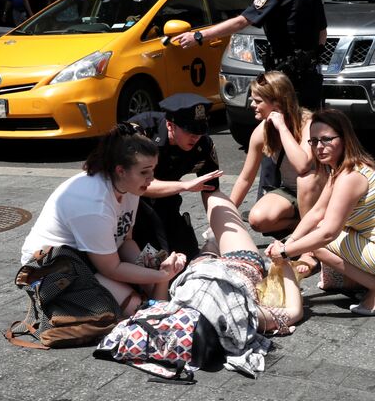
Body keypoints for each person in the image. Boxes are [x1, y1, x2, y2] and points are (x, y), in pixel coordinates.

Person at [265, 109, 375, 316]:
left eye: (326, 139)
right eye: (313, 141)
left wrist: (286, 252)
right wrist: (287, 244)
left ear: (344, 139)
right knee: (314, 234)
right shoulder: (345, 168)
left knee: (318, 240)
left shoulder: (349, 177)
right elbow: (316, 212)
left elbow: (327, 233)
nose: (319, 147)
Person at [19, 123, 187, 316]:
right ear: (120, 170)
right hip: (51, 267)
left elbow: (125, 240)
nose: (151, 179)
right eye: (144, 172)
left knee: (154, 291)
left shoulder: (129, 187)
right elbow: (111, 268)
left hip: (90, 259)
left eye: (153, 170)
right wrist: (161, 275)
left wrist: (156, 270)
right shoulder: (94, 203)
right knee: (137, 308)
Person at [176, 0, 327, 110]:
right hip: (310, 76)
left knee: (281, 125)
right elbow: (322, 33)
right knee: (309, 123)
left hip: (285, 78)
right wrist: (311, 60)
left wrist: (200, 35)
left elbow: (241, 22)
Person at [166, 191, 303, 375]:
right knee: (216, 199)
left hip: (206, 266)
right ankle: (213, 241)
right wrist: (283, 259)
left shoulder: (241, 316)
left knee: (215, 212)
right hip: (238, 262)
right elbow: (294, 312)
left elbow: (294, 312)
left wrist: (164, 275)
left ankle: (213, 241)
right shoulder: (241, 316)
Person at [129, 93, 223, 261]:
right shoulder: (141, 133)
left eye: (200, 130)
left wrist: (219, 230)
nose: (195, 137)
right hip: (130, 206)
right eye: (189, 131)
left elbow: (211, 191)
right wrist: (185, 186)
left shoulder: (203, 144)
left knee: (188, 256)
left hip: (166, 201)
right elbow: (137, 185)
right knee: (151, 262)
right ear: (171, 125)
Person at [229, 72, 320, 240]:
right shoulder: (262, 131)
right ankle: (299, 224)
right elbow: (245, 178)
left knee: (306, 179)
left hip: (320, 192)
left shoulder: (309, 122)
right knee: (257, 219)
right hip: (292, 192)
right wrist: (227, 213)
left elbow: (303, 166)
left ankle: (309, 240)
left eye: (257, 101)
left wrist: (282, 128)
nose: (252, 105)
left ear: (277, 103)